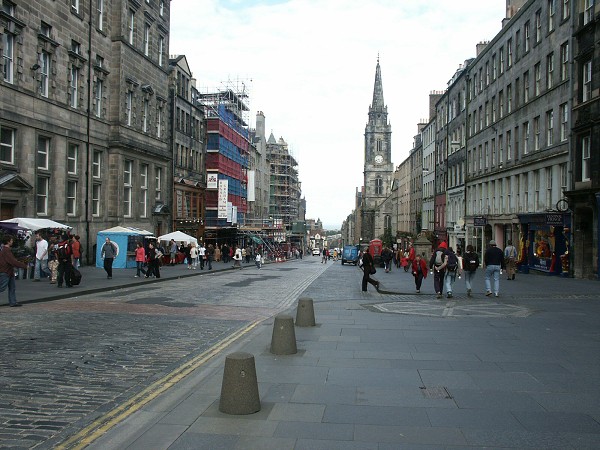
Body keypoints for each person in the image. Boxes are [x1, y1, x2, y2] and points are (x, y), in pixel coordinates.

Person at [0, 236, 28, 307]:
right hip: (5, 271)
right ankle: (13, 302)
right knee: (2, 287)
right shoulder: (6, 250)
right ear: (8, 241)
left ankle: (13, 302)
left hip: (9, 271)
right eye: (11, 240)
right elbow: (12, 261)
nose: (12, 242)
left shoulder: (5, 249)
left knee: (12, 287)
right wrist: (23, 265)